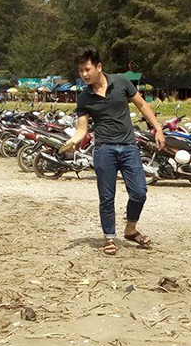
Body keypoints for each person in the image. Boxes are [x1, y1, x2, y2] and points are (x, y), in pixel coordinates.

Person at [62, 47, 165, 256]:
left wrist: (157, 128)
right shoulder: (84, 97)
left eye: (87, 69)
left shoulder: (120, 82)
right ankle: (109, 237)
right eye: (81, 70)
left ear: (99, 67)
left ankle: (130, 229)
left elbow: (142, 105)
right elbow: (82, 128)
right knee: (106, 196)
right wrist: (73, 141)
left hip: (128, 146)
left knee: (139, 192)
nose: (84, 74)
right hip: (104, 149)